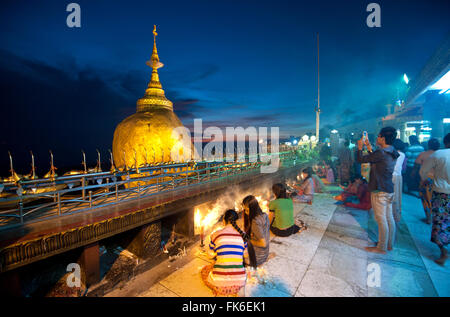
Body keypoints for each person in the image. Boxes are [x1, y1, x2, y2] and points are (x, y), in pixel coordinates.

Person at [357, 126, 399, 254]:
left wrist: (359, 147)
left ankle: (381, 247)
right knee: (388, 218)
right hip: (388, 188)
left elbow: (361, 159)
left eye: (379, 136)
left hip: (379, 189)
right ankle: (389, 244)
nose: (377, 138)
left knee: (381, 219)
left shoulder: (381, 153)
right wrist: (370, 148)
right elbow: (376, 159)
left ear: (383, 138)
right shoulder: (391, 151)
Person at [419, 133, 450, 265]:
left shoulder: (439, 154)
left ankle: (444, 252)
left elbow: (423, 171)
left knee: (440, 222)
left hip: (442, 194)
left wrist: (426, 180)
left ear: (445, 142)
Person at [201, 209, 247, 296]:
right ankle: (239, 293)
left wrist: (217, 253)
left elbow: (210, 255)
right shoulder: (243, 235)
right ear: (236, 221)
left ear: (223, 221)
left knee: (205, 271)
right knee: (241, 272)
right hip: (240, 282)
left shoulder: (215, 234)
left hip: (219, 283)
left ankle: (220, 291)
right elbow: (245, 254)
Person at [416, 138, 441, 224]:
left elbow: (417, 164)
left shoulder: (423, 154)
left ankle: (428, 218)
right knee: (436, 199)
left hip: (425, 179)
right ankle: (436, 217)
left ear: (428, 145)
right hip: (438, 179)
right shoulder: (441, 154)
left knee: (426, 199)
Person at [241, 195, 270, 267]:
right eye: (244, 210)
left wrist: (249, 241)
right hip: (264, 255)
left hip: (257, 258)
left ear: (253, 209)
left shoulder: (255, 222)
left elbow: (263, 244)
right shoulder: (264, 215)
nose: (246, 212)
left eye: (247, 210)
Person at [392, 139, 406, 222]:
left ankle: (393, 214)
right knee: (397, 195)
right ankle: (396, 214)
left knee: (393, 196)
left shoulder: (394, 154)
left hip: (393, 176)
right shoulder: (403, 154)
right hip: (398, 176)